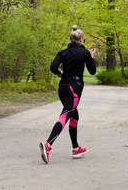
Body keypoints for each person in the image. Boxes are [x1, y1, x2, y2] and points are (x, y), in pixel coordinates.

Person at [39, 25, 96, 164]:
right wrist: (91, 57)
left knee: (73, 114)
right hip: (74, 90)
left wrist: (60, 74)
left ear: (71, 39)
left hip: (62, 89)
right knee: (65, 115)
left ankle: (76, 148)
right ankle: (48, 144)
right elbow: (93, 71)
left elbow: (53, 67)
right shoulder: (85, 53)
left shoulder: (63, 52)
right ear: (81, 39)